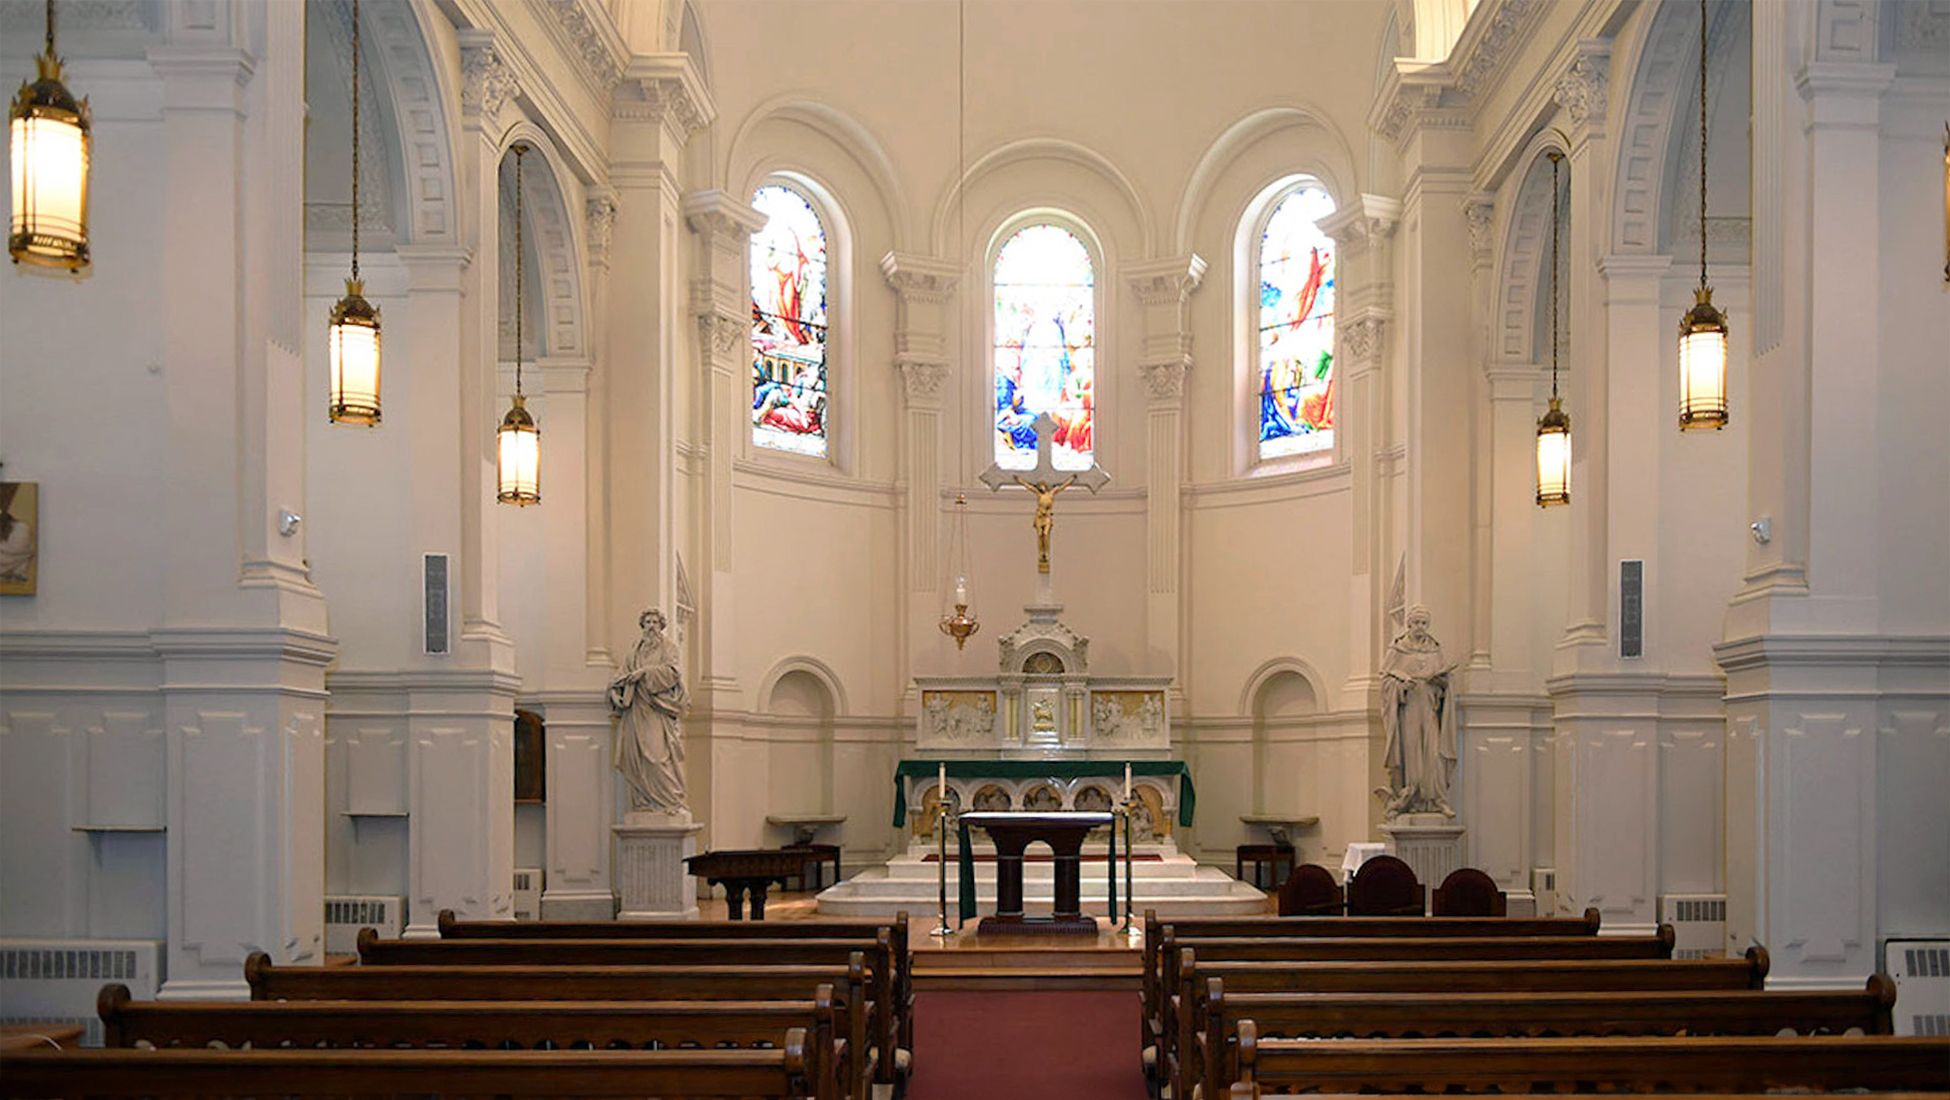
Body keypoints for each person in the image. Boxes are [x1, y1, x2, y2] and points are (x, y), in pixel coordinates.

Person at [1376, 605, 1458, 818]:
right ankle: (1410, 798)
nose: (1420, 627)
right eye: (1416, 623)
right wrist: (1400, 685)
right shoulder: (1397, 649)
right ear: (1409, 625)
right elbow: (1385, 679)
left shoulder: (1435, 650)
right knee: (1412, 754)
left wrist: (1441, 682)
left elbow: (1446, 682)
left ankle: (1437, 800)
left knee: (1433, 754)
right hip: (1408, 711)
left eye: (1424, 623)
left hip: (1430, 708)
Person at [609, 608, 690, 814]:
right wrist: (613, 692)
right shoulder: (635, 650)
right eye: (647, 622)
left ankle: (671, 800)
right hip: (635, 709)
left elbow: (672, 673)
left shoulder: (668, 647)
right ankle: (644, 802)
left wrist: (644, 673)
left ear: (661, 626)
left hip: (656, 709)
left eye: (655, 622)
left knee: (656, 755)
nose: (651, 626)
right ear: (642, 625)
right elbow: (621, 675)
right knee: (635, 757)